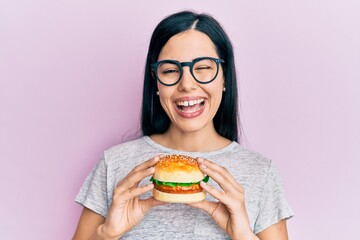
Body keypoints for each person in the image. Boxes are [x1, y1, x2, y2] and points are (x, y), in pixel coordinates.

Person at [73, 11, 294, 240]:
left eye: (203, 68)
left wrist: (244, 235)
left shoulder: (260, 173)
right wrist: (106, 234)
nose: (187, 84)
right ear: (156, 80)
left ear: (224, 76)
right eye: (170, 70)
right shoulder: (115, 164)